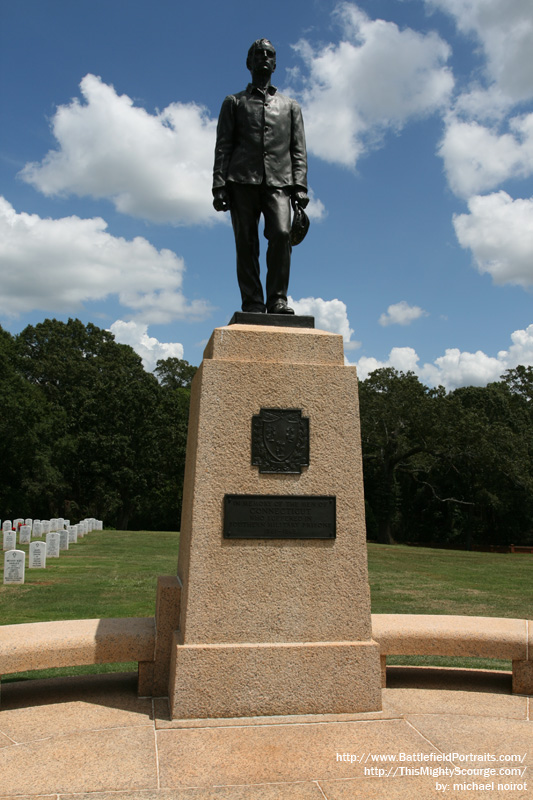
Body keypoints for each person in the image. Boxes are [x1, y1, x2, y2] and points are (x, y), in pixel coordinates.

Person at [212, 38, 309, 314]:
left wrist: (300, 186)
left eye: (269, 54)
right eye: (258, 54)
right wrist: (219, 185)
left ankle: (277, 299)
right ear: (249, 62)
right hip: (241, 180)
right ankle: (253, 302)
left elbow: (298, 149)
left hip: (280, 182)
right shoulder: (234, 102)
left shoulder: (290, 106)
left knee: (281, 234)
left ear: (275, 63)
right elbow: (224, 145)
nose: (264, 57)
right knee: (246, 242)